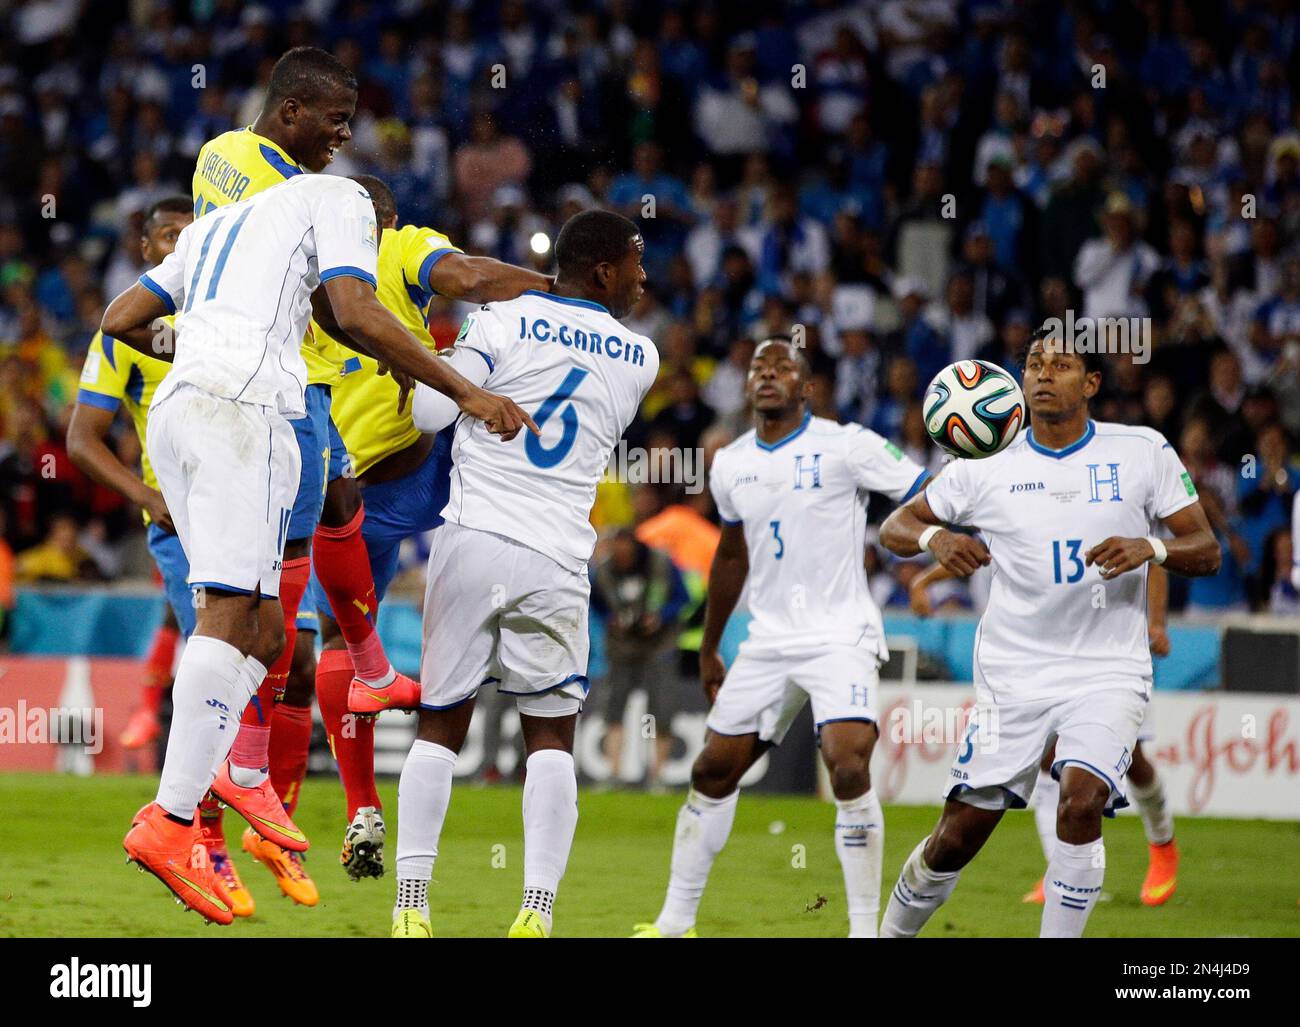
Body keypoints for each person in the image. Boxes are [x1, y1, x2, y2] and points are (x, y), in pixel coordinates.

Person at [103, 169, 534, 925]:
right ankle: (179, 817)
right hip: (249, 411)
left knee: (270, 632)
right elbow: (357, 308)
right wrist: (466, 389)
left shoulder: (217, 234)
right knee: (240, 615)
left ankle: (243, 771)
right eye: (335, 118)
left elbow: (122, 314)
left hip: (187, 413)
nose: (341, 131)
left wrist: (194, 340)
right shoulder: (339, 204)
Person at [877, 326, 1219, 939]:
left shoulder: (1142, 451)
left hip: (1107, 669)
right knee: (957, 836)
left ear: (1090, 384)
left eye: (1060, 364)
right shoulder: (985, 465)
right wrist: (938, 539)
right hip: (1015, 672)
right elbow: (896, 526)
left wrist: (1152, 547)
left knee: (1081, 798)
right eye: (1034, 363)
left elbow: (1206, 548)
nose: (1041, 373)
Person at [392, 209, 656, 939]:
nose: (643, 276)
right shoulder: (641, 357)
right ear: (603, 272)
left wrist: (438, 357)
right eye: (636, 261)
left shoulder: (499, 320)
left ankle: (411, 904)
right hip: (557, 557)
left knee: (441, 725)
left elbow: (426, 415)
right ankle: (536, 909)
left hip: (474, 537)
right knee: (551, 736)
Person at [635, 335, 930, 939]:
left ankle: (863, 930)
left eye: (783, 367)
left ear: (808, 388)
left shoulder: (846, 446)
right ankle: (674, 923)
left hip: (838, 633)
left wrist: (930, 548)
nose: (767, 374)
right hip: (767, 640)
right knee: (713, 771)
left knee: (847, 765)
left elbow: (923, 490)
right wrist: (712, 643)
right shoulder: (731, 461)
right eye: (758, 366)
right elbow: (731, 558)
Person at [305, 174, 552, 879]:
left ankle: (361, 803)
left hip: (348, 494)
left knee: (340, 642)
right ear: (385, 217)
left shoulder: (302, 266)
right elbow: (471, 276)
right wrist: (555, 282)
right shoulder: (397, 242)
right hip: (432, 469)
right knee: (478, 381)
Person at [68, 197, 257, 915]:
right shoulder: (122, 332)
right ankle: (200, 844)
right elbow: (83, 437)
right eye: (169, 239)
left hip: (242, 506)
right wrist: (148, 496)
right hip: (184, 523)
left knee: (263, 655)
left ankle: (219, 823)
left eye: (193, 238)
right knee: (217, 665)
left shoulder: (224, 325)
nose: (182, 247)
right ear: (150, 253)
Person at [591, 527, 689, 788]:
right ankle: (613, 773)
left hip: (659, 645)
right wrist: (610, 620)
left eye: (626, 552)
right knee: (613, 708)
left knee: (662, 709)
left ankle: (657, 776)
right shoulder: (603, 570)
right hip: (622, 646)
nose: (622, 558)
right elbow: (592, 599)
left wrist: (661, 617)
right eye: (617, 552)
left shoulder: (661, 564)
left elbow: (683, 598)